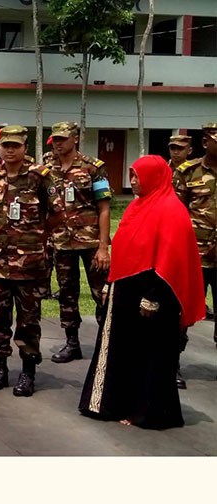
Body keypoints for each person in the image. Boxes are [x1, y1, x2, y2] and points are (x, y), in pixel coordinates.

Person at [79, 155, 205, 429]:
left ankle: (147, 412)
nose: (133, 182)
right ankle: (115, 404)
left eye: (138, 177)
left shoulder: (171, 210)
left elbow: (171, 260)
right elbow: (127, 248)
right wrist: (112, 286)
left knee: (152, 355)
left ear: (155, 177)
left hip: (154, 296)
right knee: (125, 351)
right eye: (132, 176)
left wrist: (153, 297)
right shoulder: (138, 206)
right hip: (126, 291)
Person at [0, 125, 54, 397]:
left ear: (25, 147)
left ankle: (28, 372)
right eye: (5, 145)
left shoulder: (40, 177)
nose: (9, 150)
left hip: (31, 264)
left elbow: (57, 214)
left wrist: (40, 241)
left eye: (15, 145)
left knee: (29, 321)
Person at [45, 121, 112, 363]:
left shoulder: (94, 167)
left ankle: (107, 344)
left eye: (63, 138)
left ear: (75, 139)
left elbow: (104, 208)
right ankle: (71, 343)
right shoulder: (46, 168)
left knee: (102, 294)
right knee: (67, 294)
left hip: (91, 242)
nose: (58, 143)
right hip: (61, 243)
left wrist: (103, 248)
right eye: (55, 139)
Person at [173, 121, 217, 358]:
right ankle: (172, 364)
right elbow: (176, 215)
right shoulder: (187, 172)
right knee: (182, 313)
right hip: (194, 256)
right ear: (205, 142)